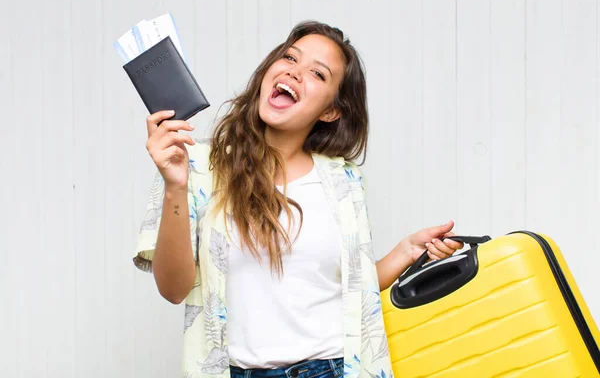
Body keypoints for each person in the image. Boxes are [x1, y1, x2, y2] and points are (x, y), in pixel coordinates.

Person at [134, 20, 463, 378]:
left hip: (330, 369)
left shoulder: (343, 180)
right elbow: (173, 288)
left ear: (330, 111)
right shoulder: (195, 165)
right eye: (290, 57)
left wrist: (406, 251)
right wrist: (175, 186)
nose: (294, 71)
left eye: (318, 74)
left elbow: (351, 287)